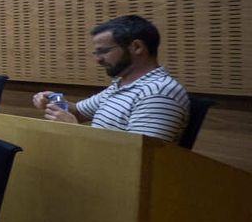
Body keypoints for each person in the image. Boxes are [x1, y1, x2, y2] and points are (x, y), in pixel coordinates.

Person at [33, 14, 190, 143]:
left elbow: (138, 158)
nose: (98, 60)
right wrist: (55, 100)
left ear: (137, 47)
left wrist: (74, 129)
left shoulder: (158, 93)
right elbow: (79, 113)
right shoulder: (121, 85)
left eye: (104, 51)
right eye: (96, 53)